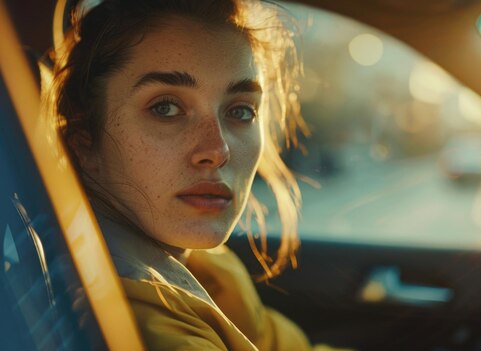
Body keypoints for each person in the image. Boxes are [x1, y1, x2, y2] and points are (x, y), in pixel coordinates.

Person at [45, 0, 343, 349]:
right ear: (85, 142)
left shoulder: (203, 266)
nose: (217, 151)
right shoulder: (137, 322)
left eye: (241, 111)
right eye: (166, 108)